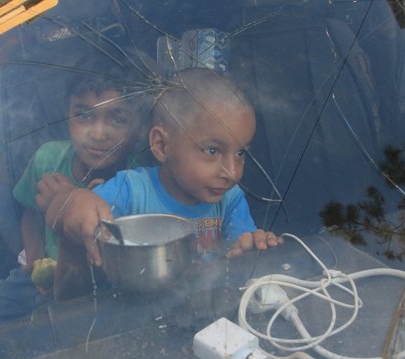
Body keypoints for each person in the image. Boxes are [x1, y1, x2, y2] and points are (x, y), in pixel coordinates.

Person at [42, 68, 283, 299]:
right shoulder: (128, 192)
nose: (231, 172)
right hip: (125, 324)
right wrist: (71, 201)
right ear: (161, 145)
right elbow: (66, 219)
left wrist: (253, 250)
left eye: (241, 153)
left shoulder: (230, 198)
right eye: (212, 150)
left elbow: (238, 263)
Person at [11, 50, 154, 293]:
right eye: (84, 115)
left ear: (138, 125)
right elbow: (30, 214)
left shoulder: (140, 178)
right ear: (67, 115)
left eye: (118, 119)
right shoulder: (47, 159)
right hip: (45, 279)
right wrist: (35, 261)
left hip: (105, 288)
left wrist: (70, 201)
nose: (97, 134)